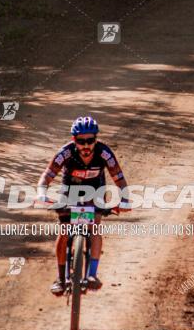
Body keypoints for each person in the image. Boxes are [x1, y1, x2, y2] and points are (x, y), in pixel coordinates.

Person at [37, 115, 129, 295]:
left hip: (95, 191)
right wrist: (41, 193)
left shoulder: (104, 153)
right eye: (81, 141)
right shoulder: (66, 152)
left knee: (94, 226)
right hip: (69, 190)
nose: (86, 146)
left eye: (90, 140)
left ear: (96, 139)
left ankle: (92, 274)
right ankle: (61, 278)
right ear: (74, 140)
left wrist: (125, 198)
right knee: (64, 231)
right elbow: (47, 176)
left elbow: (118, 177)